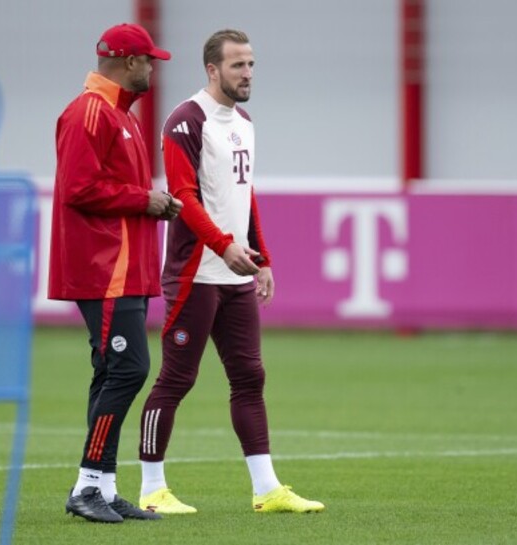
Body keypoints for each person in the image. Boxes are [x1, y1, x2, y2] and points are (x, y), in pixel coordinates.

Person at [137, 29, 325, 515]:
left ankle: (266, 489)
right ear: (212, 69)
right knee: (176, 379)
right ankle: (151, 490)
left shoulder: (244, 122)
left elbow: (246, 194)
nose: (248, 73)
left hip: (236, 275)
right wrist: (223, 245)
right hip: (195, 274)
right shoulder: (185, 121)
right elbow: (183, 198)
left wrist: (263, 259)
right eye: (238, 65)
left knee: (249, 377)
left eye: (251, 64)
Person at [48, 22, 182, 524]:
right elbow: (78, 189)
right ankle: (87, 485)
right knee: (129, 369)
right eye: (149, 61)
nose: (152, 70)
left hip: (124, 267)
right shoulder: (88, 112)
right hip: (105, 268)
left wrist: (150, 202)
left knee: (112, 370)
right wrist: (145, 200)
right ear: (129, 62)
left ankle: (102, 487)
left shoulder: (120, 115)